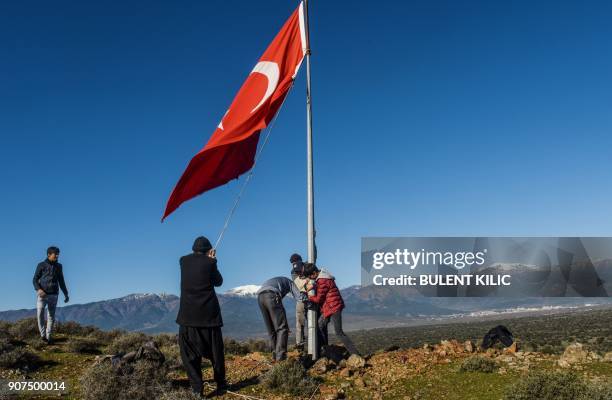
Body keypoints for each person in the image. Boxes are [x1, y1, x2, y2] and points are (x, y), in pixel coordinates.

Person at [176, 236, 227, 396]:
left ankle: (197, 389)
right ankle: (220, 385)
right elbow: (218, 282)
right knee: (216, 354)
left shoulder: (182, 261)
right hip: (209, 317)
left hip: (187, 317)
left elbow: (196, 266)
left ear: (193, 249)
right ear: (208, 250)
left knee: (190, 357)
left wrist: (208, 259)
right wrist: (213, 260)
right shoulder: (210, 262)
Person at [304, 263, 360, 356]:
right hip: (331, 306)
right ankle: (324, 350)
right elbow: (323, 289)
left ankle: (355, 354)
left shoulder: (322, 280)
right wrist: (313, 286)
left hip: (334, 307)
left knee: (339, 332)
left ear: (314, 273)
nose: (311, 278)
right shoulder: (323, 277)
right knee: (320, 325)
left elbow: (318, 299)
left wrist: (309, 296)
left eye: (310, 276)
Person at [257, 276, 305, 361]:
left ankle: (275, 356)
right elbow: (299, 297)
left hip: (260, 298)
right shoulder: (291, 283)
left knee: (271, 330)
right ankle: (281, 358)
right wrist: (307, 300)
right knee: (282, 328)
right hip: (271, 295)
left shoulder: (278, 281)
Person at [32, 246, 69, 344]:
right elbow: (35, 279)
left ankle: (48, 337)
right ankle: (42, 335)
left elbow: (61, 281)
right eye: (55, 254)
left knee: (51, 316)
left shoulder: (59, 266)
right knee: (40, 314)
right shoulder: (41, 265)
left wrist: (66, 294)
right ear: (49, 254)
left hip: (54, 294)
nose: (57, 256)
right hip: (42, 294)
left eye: (58, 254)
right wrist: (38, 289)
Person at [290, 253, 308, 349]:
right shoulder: (293, 272)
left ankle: (318, 343)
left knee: (312, 321)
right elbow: (298, 285)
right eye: (293, 263)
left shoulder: (308, 266)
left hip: (311, 298)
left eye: (295, 262)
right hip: (301, 299)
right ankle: (299, 343)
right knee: (300, 322)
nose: (294, 265)